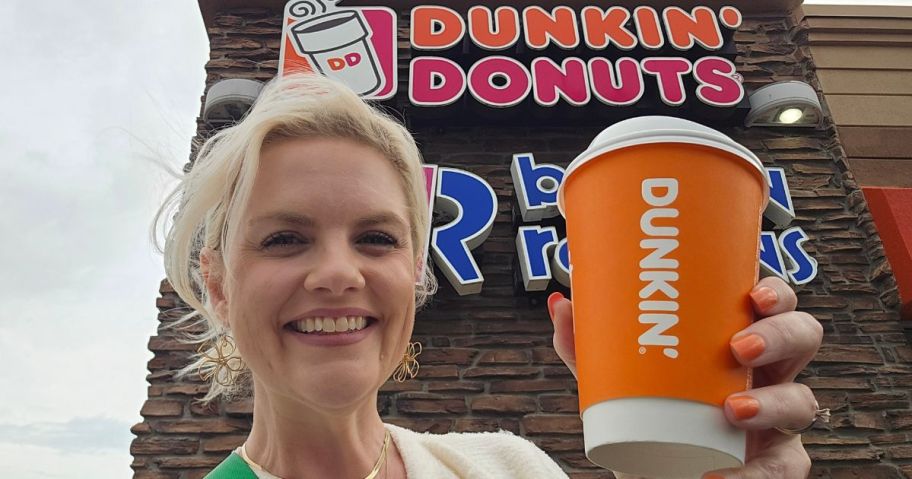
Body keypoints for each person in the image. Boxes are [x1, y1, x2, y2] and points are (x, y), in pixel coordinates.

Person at [153, 73, 825, 479]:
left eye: (376, 238)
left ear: (414, 271)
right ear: (216, 281)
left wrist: (693, 464)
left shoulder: (508, 465)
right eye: (285, 238)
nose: (337, 272)